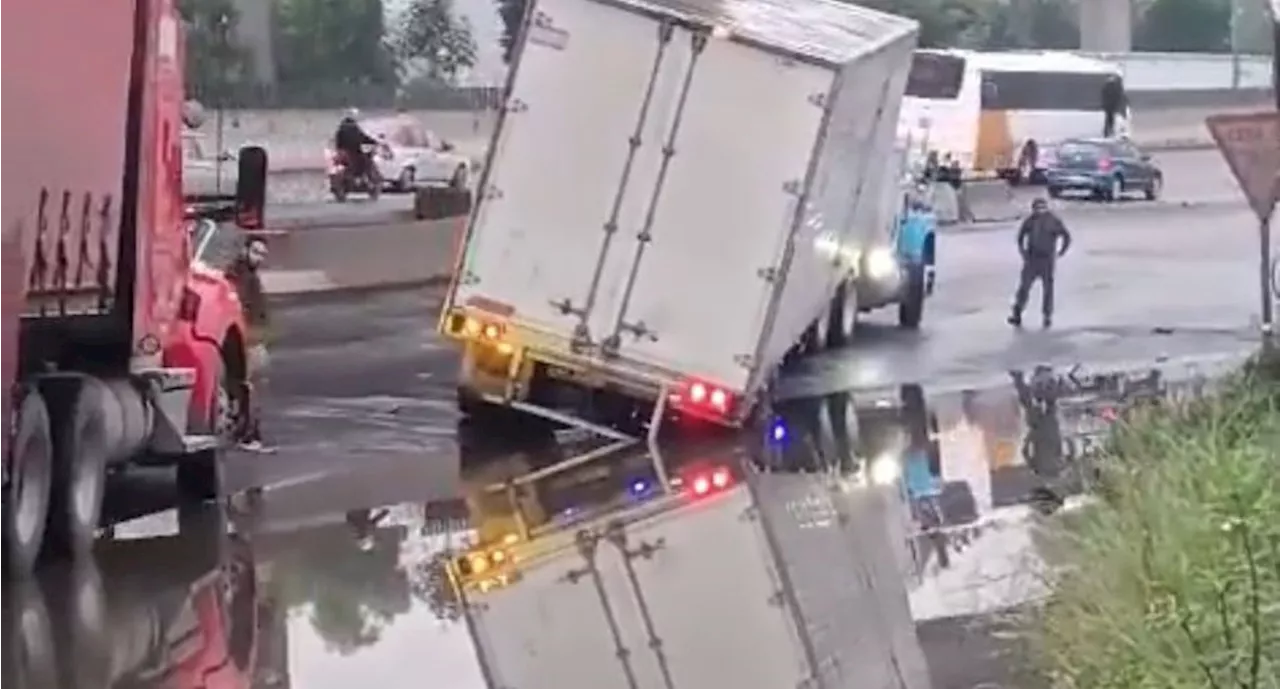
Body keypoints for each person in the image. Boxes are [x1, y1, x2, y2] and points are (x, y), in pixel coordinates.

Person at [226, 236, 275, 452]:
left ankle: (247, 433)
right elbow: (243, 307)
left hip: (253, 337)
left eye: (262, 254)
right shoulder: (240, 276)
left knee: (248, 388)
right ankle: (248, 436)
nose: (259, 258)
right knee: (250, 388)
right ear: (245, 249)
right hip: (248, 339)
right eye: (256, 252)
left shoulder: (247, 275)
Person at [1008, 198, 1071, 328]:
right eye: (1037, 208)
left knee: (1048, 289)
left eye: (1042, 207)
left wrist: (1061, 251)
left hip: (1047, 259)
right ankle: (1017, 313)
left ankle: (1047, 315)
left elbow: (1066, 236)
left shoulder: (1053, 220)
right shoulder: (1030, 221)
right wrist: (1023, 252)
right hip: (1032, 259)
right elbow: (1021, 236)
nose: (1040, 210)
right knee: (1024, 287)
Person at [333, 107, 380, 180]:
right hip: (353, 151)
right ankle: (359, 176)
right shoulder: (353, 127)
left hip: (341, 151)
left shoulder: (342, 127)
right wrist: (374, 142)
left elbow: (337, 139)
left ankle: (356, 177)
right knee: (366, 161)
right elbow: (363, 137)